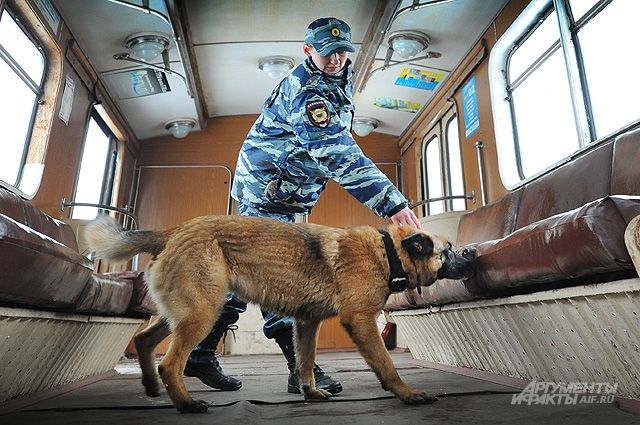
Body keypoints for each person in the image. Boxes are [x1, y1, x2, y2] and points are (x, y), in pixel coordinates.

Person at [184, 16, 421, 395]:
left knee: (245, 273)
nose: (337, 60)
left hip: (287, 190)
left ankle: (198, 356)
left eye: (343, 51)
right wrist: (391, 202)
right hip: (269, 190)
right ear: (308, 50)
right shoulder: (308, 92)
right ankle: (299, 370)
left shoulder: (338, 79)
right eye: (327, 53)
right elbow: (336, 152)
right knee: (282, 278)